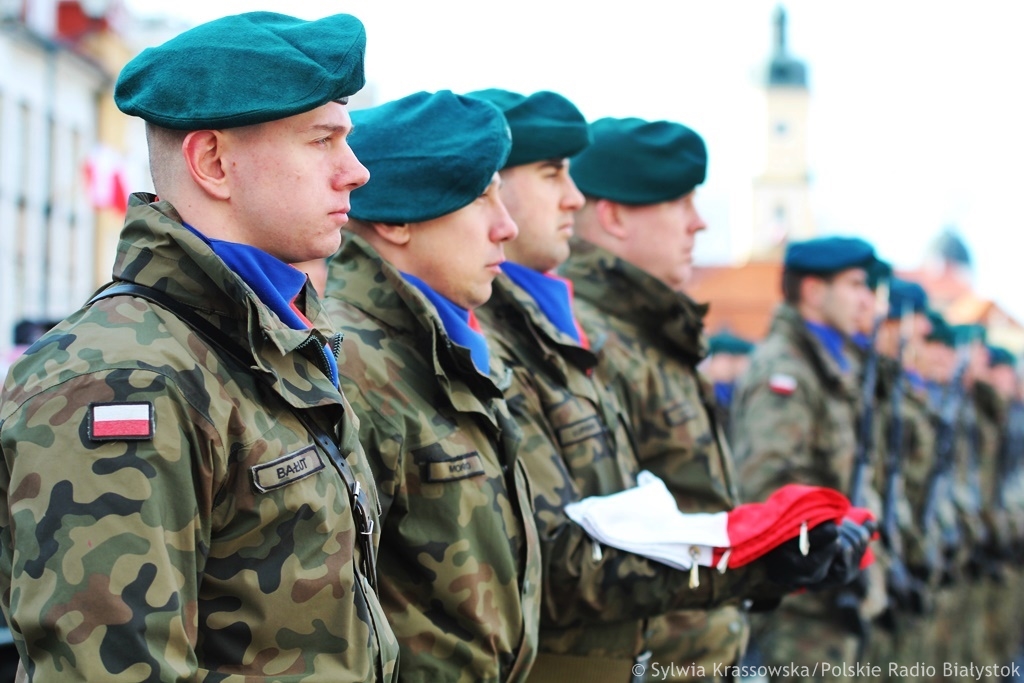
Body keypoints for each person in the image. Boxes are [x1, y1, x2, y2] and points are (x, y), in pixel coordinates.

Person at [0, 12, 398, 681]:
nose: (355, 171)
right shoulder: (123, 378)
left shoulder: (264, 342)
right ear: (213, 162)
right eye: (322, 141)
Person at [469, 91, 851, 683]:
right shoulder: (584, 336)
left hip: (687, 648)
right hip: (644, 657)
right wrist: (757, 561)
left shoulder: (641, 331)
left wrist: (771, 553)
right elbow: (575, 549)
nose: (699, 222)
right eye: (679, 202)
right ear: (617, 218)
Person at [321, 90, 543, 683]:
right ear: (397, 219)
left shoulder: (433, 346)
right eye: (479, 196)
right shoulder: (352, 363)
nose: (506, 226)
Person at [729, 237, 888, 682]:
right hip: (803, 606)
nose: (867, 300)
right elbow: (766, 484)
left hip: (836, 592)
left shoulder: (832, 366)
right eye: (855, 285)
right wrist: (833, 540)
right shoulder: (787, 370)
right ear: (815, 292)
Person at [702, 332, 756, 443]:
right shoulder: (704, 393)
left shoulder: (745, 393)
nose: (731, 366)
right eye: (727, 359)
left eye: (736, 359)